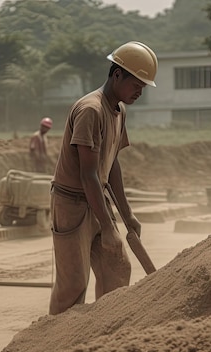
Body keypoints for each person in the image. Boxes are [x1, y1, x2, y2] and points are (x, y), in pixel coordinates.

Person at [48, 41, 158, 315]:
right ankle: (55, 347)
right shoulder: (91, 110)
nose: (139, 93)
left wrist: (127, 214)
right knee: (72, 285)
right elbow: (88, 175)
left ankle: (102, 337)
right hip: (72, 204)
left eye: (143, 88)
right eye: (136, 85)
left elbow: (112, 164)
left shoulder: (118, 111)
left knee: (117, 269)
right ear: (117, 74)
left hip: (97, 199)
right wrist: (108, 228)